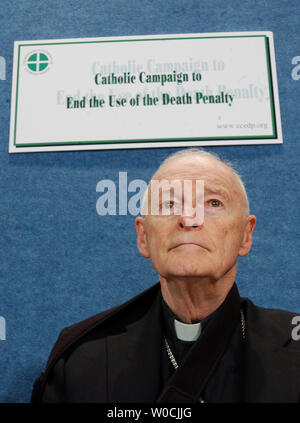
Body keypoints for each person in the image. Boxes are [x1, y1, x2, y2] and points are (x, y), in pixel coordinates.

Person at [31, 148, 300, 403]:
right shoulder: (81, 362)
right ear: (143, 236)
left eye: (213, 202)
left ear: (245, 235)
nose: (189, 218)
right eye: (169, 203)